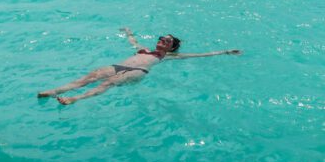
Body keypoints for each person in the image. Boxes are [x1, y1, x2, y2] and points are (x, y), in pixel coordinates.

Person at [37, 27, 241, 105]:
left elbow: (199, 55)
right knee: (90, 77)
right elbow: (132, 41)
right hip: (119, 65)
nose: (162, 40)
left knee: (107, 83)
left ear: (171, 47)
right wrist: (128, 32)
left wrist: (224, 52)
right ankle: (54, 91)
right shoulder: (142, 49)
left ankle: (74, 99)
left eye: (167, 40)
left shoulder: (167, 57)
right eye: (162, 38)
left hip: (138, 72)